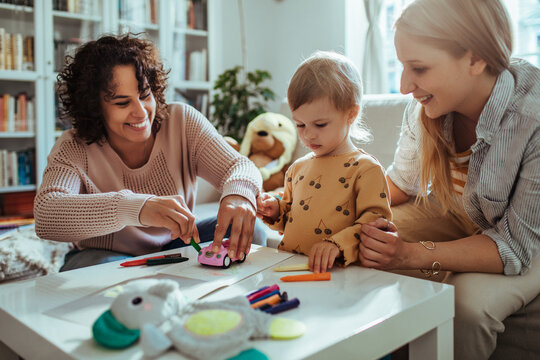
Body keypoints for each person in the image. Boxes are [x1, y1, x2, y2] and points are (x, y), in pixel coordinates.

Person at [357, 0, 540, 358]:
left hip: (528, 239)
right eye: (402, 66)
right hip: (468, 219)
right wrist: (330, 197)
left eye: (419, 68)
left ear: (475, 60)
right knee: (360, 239)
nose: (404, 85)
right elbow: (402, 183)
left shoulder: (531, 119)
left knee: (467, 306)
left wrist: (409, 255)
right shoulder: (428, 108)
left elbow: (514, 246)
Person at [34, 34, 266, 271]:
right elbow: (46, 215)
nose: (141, 112)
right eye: (122, 103)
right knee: (107, 276)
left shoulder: (182, 121)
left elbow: (239, 166)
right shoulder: (74, 145)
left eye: (145, 95)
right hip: (103, 255)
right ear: (95, 108)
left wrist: (238, 195)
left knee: (250, 230)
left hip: (174, 246)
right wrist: (137, 208)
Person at [257, 51, 392, 274]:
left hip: (340, 274)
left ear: (351, 114)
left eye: (319, 125)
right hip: (291, 267)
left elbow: (376, 225)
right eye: (300, 125)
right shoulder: (297, 168)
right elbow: (291, 216)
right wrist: (274, 211)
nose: (308, 135)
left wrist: (337, 245)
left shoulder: (366, 169)